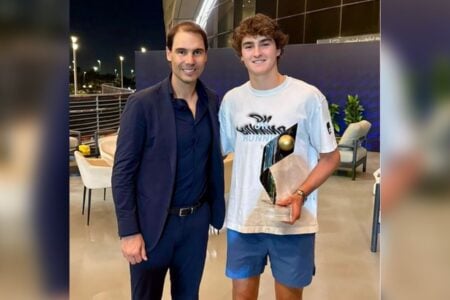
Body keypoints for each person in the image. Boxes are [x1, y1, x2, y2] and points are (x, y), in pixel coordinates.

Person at [219, 14, 340, 300]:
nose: (257, 52)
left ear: (278, 49)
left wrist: (300, 193)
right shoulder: (232, 101)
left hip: (291, 221)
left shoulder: (308, 97)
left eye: (265, 44)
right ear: (240, 55)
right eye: (248, 46)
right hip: (243, 220)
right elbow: (217, 153)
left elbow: (330, 157)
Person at [112, 21, 225, 300]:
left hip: (196, 225)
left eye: (197, 52)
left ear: (206, 56)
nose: (189, 60)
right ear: (168, 54)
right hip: (153, 227)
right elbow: (122, 173)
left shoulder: (212, 101)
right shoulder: (142, 105)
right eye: (182, 51)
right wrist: (129, 232)